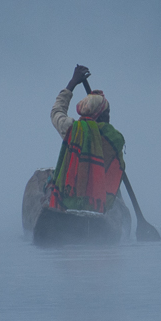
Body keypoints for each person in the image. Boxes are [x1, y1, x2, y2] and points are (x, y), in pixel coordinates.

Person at [48, 65, 125, 213]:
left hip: (71, 195)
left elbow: (56, 112)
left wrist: (72, 84)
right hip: (99, 200)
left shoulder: (73, 129)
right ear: (101, 115)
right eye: (107, 112)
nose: (108, 116)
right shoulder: (114, 138)